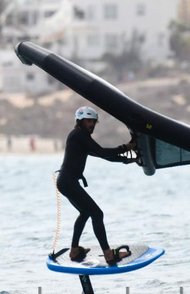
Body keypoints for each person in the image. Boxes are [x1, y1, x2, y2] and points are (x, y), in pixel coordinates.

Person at [57, 106, 136, 265]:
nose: (92, 124)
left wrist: (126, 159)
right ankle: (108, 255)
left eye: (93, 122)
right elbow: (101, 151)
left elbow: (102, 155)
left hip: (66, 182)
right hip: (68, 182)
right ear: (80, 121)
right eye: (88, 121)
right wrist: (126, 147)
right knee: (97, 214)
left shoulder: (81, 137)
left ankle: (74, 251)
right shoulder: (78, 135)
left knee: (85, 213)